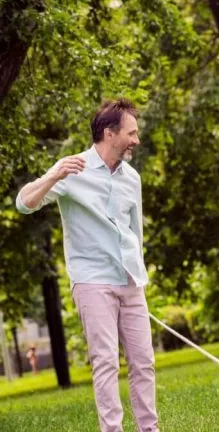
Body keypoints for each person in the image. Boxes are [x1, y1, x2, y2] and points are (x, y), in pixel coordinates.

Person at [16, 98, 158, 431]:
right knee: (106, 362)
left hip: (130, 281)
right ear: (110, 134)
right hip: (93, 280)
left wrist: (138, 274)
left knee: (144, 363)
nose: (136, 140)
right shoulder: (72, 170)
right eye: (131, 133)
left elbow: (135, 231)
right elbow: (24, 204)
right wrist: (53, 174)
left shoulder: (131, 178)